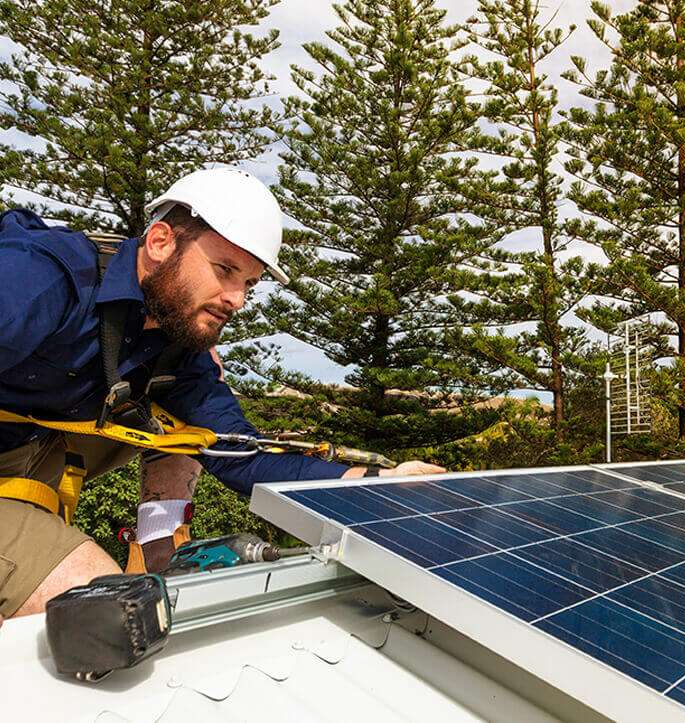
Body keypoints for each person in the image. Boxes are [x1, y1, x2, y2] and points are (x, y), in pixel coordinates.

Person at [0, 166, 443, 621]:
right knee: (104, 613)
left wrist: (366, 484)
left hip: (37, 444)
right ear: (160, 242)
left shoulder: (176, 345)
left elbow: (237, 451)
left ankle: (161, 544)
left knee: (195, 397)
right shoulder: (40, 278)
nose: (237, 300)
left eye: (249, 283)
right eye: (224, 270)